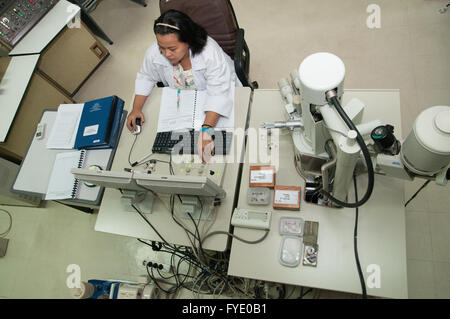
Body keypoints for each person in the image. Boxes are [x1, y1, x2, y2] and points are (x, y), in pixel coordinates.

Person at [127, 9, 241, 162]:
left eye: (172, 49)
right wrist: (136, 108)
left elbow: (219, 92)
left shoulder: (209, 52)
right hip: (184, 103)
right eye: (162, 48)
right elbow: (146, 76)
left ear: (188, 41)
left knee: (231, 143)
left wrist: (207, 129)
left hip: (214, 97)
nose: (166, 54)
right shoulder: (154, 52)